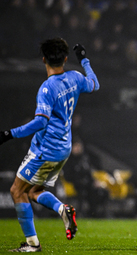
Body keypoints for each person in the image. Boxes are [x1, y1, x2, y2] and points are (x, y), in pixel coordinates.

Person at [0, 37, 100, 252]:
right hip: (63, 148)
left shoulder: (47, 88)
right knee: (34, 190)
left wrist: (10, 134)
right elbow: (94, 84)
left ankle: (32, 244)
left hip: (45, 150)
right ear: (65, 58)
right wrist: (84, 61)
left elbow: (40, 122)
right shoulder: (74, 77)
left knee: (17, 191)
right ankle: (62, 209)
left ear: (43, 59)